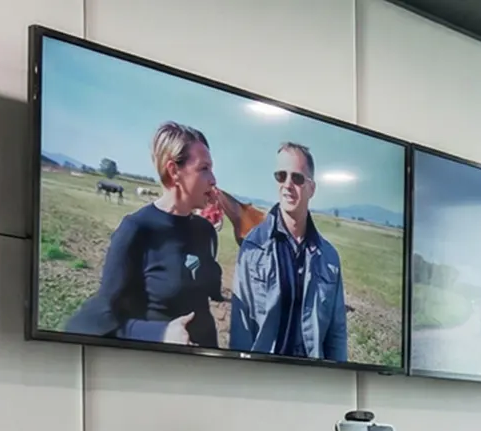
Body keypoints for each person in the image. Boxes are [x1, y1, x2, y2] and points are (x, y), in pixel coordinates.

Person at [65, 122, 240, 346]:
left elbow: (209, 291)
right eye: (204, 168)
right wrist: (160, 334)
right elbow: (94, 321)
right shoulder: (136, 230)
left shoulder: (205, 231)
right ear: (174, 171)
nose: (213, 179)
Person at [230, 142, 348, 362]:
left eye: (297, 178)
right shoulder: (252, 247)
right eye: (281, 176)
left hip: (312, 376)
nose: (287, 184)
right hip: (264, 374)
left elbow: (337, 333)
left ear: (312, 188)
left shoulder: (329, 258)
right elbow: (241, 328)